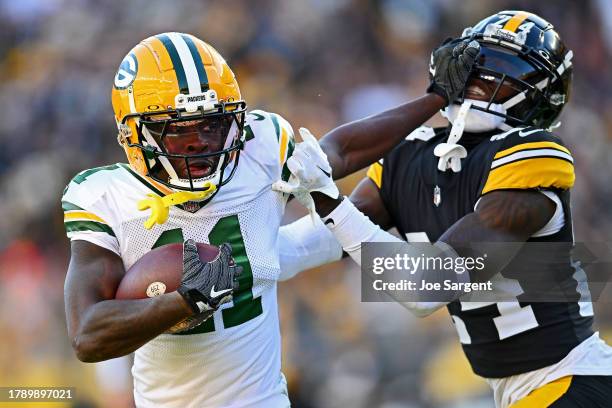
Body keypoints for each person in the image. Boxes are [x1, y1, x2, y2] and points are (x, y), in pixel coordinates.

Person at [62, 32, 475, 407]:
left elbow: (340, 152)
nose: (202, 144)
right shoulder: (104, 196)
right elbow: (88, 334)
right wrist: (184, 301)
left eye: (213, 125)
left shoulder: (258, 149)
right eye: (181, 132)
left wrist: (436, 100)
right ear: (136, 135)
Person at [276, 11, 612, 408]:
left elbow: (425, 288)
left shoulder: (531, 158)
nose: (482, 79)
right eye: (476, 65)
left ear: (539, 93)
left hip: (569, 380)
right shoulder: (412, 155)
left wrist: (328, 201)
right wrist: (240, 262)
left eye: (502, 70)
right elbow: (311, 243)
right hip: (517, 390)